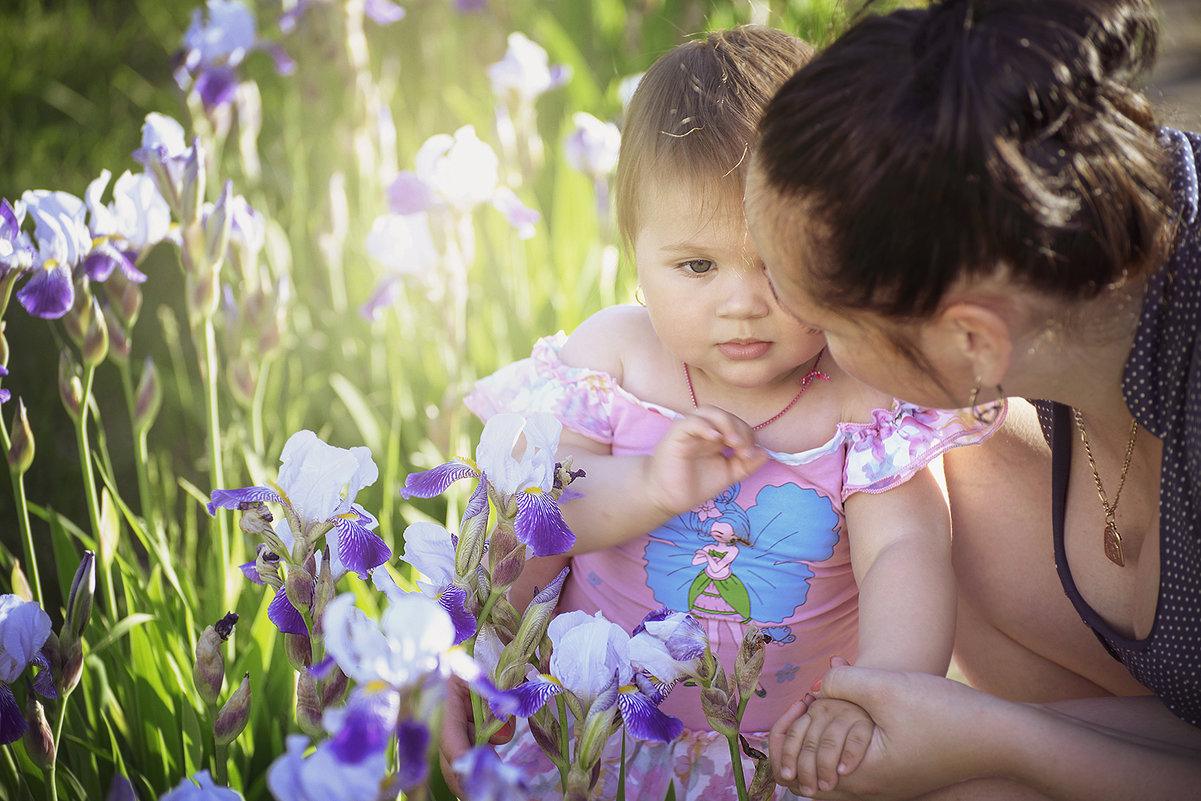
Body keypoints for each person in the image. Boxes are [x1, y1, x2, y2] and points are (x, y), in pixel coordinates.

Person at [456, 25, 1002, 800]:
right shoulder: (615, 357)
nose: (742, 303)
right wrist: (647, 485)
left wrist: (872, 697)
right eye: (697, 266)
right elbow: (537, 516)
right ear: (633, 254)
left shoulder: (861, 392)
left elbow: (904, 555)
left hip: (791, 753)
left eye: (778, 263)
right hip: (600, 735)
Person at [745, 1, 1201, 798]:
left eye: (822, 323)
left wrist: (992, 736)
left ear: (973, 344)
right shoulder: (1067, 276)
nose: (802, 346)